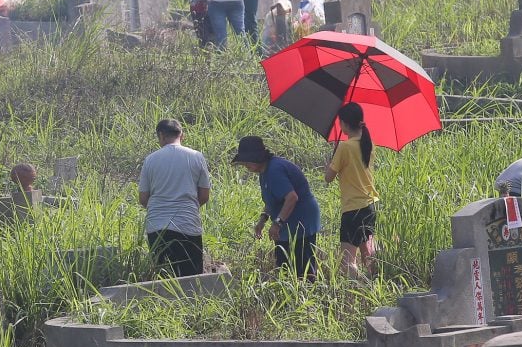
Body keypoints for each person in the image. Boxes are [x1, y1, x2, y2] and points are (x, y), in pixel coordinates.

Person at [232, 136, 320, 280]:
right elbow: (272, 200)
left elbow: (292, 197)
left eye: (247, 161)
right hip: (286, 222)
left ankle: (307, 296)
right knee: (284, 266)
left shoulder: (274, 170)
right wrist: (263, 219)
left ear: (258, 157)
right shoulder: (264, 172)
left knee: (303, 269)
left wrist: (277, 223)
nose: (245, 165)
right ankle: (290, 298)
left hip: (300, 222)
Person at [138, 119, 211, 278]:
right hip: (188, 224)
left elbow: (143, 198)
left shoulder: (150, 160)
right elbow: (204, 195)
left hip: (157, 227)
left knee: (164, 280)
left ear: (161, 135)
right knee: (191, 279)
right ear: (182, 136)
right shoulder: (196, 157)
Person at [324, 102, 379, 278]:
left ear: (345, 124)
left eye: (340, 122)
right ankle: (374, 287)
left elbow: (328, 177)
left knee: (347, 262)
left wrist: (333, 157)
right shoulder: (368, 143)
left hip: (352, 209)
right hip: (369, 206)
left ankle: (360, 288)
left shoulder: (345, 147)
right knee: (368, 258)